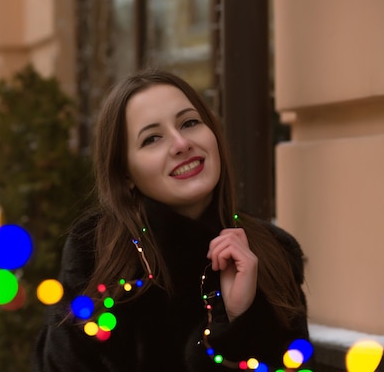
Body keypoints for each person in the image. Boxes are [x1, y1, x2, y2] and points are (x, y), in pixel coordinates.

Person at [32, 69, 311, 371]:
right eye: (152, 138)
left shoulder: (271, 250)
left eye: (190, 123)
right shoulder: (97, 253)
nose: (181, 143)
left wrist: (237, 318)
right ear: (125, 173)